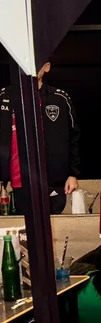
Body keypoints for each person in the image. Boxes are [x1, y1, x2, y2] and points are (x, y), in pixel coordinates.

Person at [0, 61, 80, 215]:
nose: (30, 67)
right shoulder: (5, 96)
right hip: (16, 181)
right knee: (21, 226)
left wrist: (73, 174)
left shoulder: (59, 98)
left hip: (53, 179)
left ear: (47, 67)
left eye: (36, 63)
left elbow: (73, 138)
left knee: (51, 222)